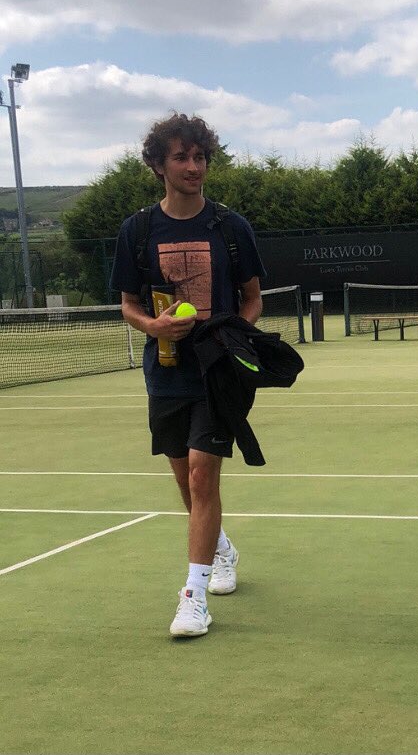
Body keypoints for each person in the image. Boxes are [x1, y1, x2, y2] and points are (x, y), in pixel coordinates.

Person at [110, 113, 266, 635]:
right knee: (186, 478)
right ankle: (219, 548)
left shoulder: (230, 227)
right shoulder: (137, 231)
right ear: (159, 165)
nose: (193, 167)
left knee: (202, 473)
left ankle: (193, 597)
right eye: (181, 157)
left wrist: (233, 338)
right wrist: (153, 326)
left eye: (199, 157)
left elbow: (252, 298)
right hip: (166, 373)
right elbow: (128, 304)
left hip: (217, 374)